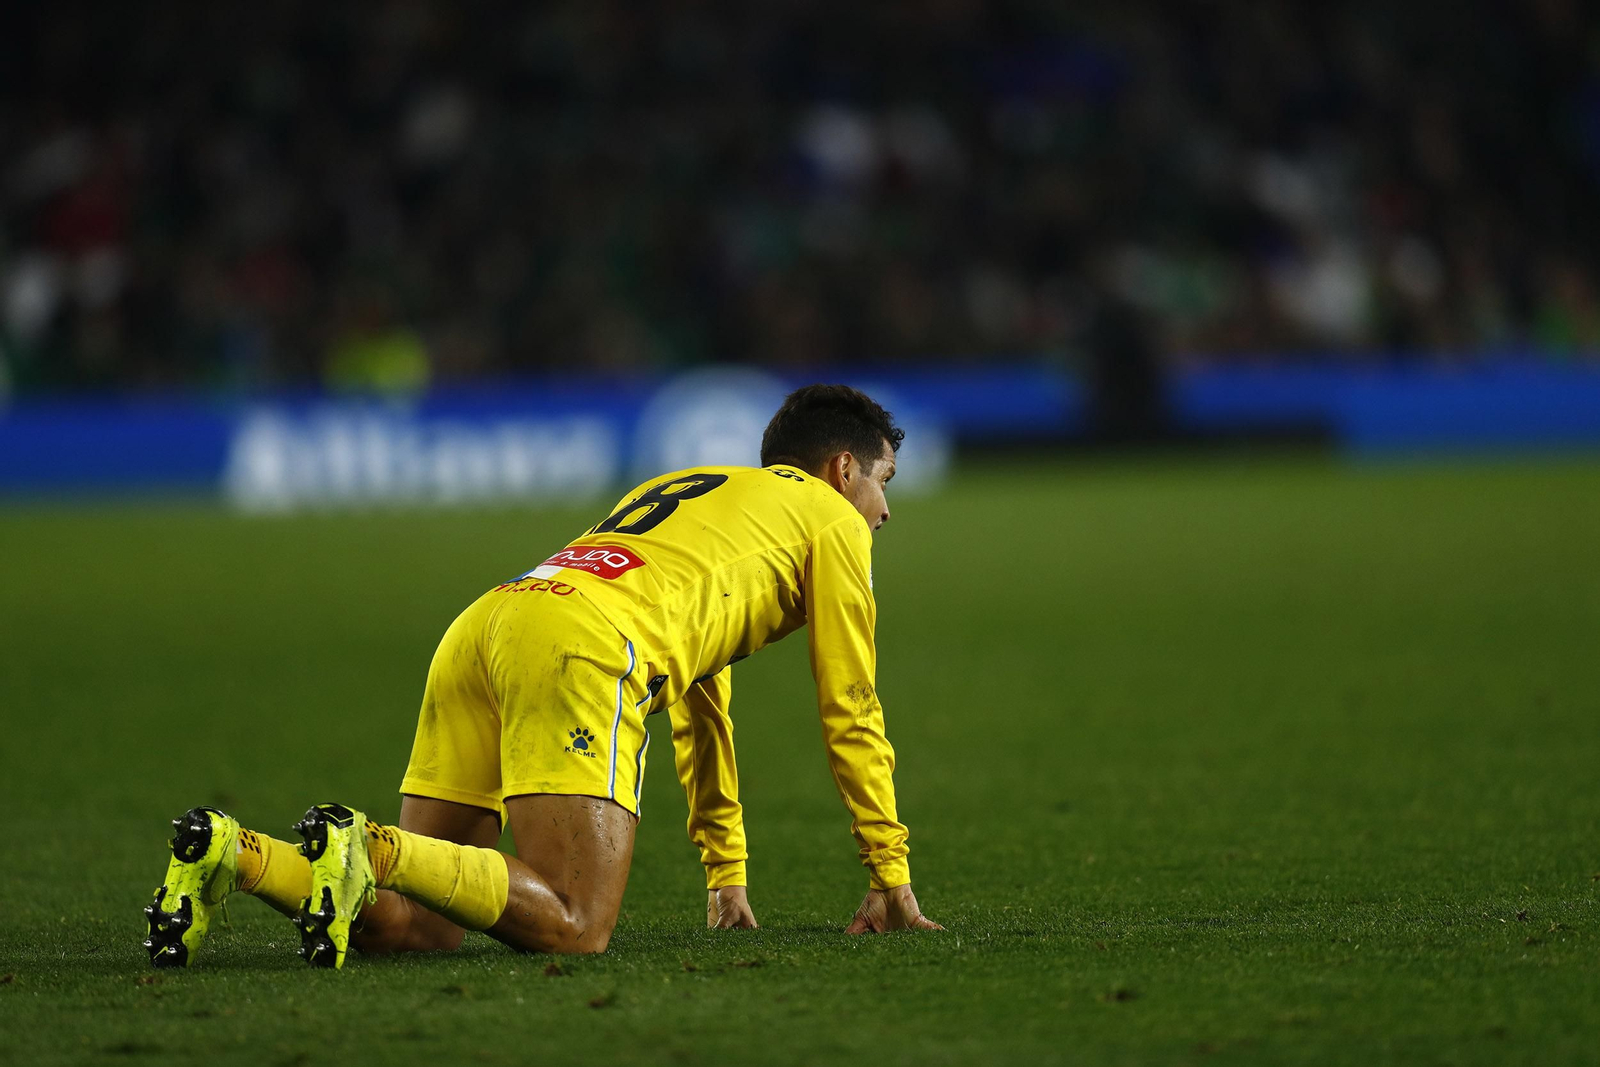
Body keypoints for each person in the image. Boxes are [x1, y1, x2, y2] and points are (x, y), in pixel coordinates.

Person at [142, 384, 942, 969]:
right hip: (581, 645)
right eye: (884, 482)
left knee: (424, 927)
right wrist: (891, 875)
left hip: (488, 622)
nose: (885, 511)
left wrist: (725, 874)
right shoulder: (833, 522)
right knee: (575, 922)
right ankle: (369, 844)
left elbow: (704, 701)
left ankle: (232, 853)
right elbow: (851, 704)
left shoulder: (705, 494)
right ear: (843, 469)